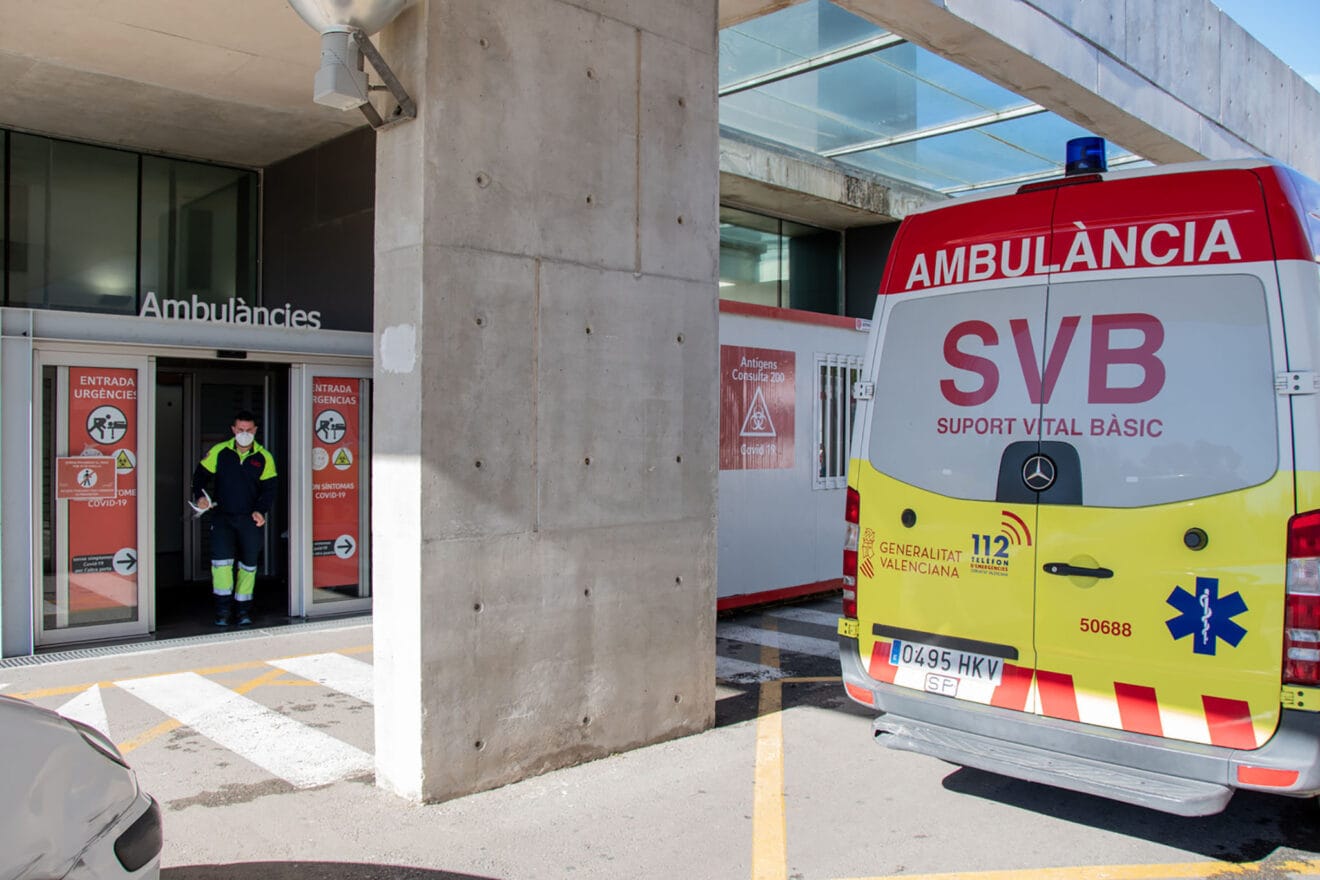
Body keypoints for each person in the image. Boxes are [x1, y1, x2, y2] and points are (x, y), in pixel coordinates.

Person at [191, 410, 277, 626]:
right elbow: (199, 477)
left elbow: (270, 490)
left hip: (250, 520)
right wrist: (200, 496)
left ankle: (243, 611)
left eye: (249, 430)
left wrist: (260, 510)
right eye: (240, 430)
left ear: (255, 431)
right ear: (233, 430)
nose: (244, 433)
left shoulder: (264, 457)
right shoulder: (220, 452)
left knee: (248, 566)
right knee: (221, 565)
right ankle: (222, 612)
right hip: (222, 518)